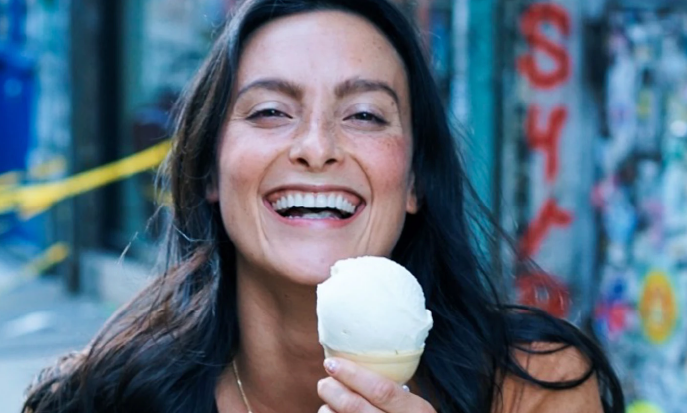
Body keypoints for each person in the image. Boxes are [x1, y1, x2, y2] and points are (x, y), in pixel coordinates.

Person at [23, 0, 624, 412]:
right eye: (270, 112)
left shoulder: (538, 386)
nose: (316, 148)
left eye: (364, 114)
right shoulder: (97, 399)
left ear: (415, 179)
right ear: (210, 169)